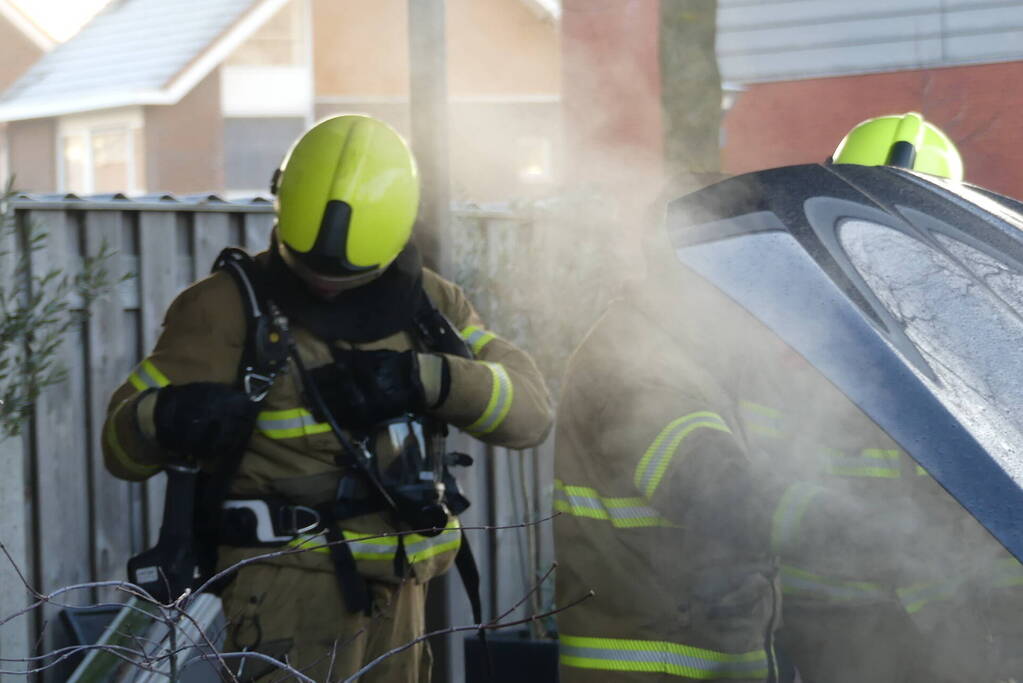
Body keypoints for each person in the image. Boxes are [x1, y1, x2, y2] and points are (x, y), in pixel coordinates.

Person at [103, 114, 554, 682]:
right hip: (285, 603)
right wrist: (163, 417)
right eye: (309, 266)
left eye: (345, 275)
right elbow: (120, 447)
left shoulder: (431, 305)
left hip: (405, 604)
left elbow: (531, 414)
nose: (323, 284)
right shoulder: (225, 309)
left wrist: (430, 380)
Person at [551, 113, 980, 683]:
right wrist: (881, 540)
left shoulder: (702, 354)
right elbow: (714, 489)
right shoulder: (636, 358)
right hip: (654, 667)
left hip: (716, 654)